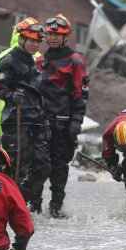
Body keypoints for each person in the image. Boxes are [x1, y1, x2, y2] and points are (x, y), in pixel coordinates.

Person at [31, 14, 89, 218]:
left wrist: (76, 121)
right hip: (41, 122)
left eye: (58, 34)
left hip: (63, 124)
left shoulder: (75, 61)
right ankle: (35, 205)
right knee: (37, 163)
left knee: (59, 165)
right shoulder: (41, 61)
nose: (53, 37)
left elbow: (81, 94)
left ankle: (56, 205)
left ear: (66, 36)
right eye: (50, 34)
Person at [0, 17, 51, 205]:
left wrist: (46, 120)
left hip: (36, 122)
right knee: (18, 168)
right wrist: (10, 97)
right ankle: (7, 206)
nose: (35, 44)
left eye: (38, 41)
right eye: (32, 40)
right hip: (16, 123)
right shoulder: (8, 61)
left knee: (43, 167)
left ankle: (18, 202)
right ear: (21, 39)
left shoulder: (33, 62)